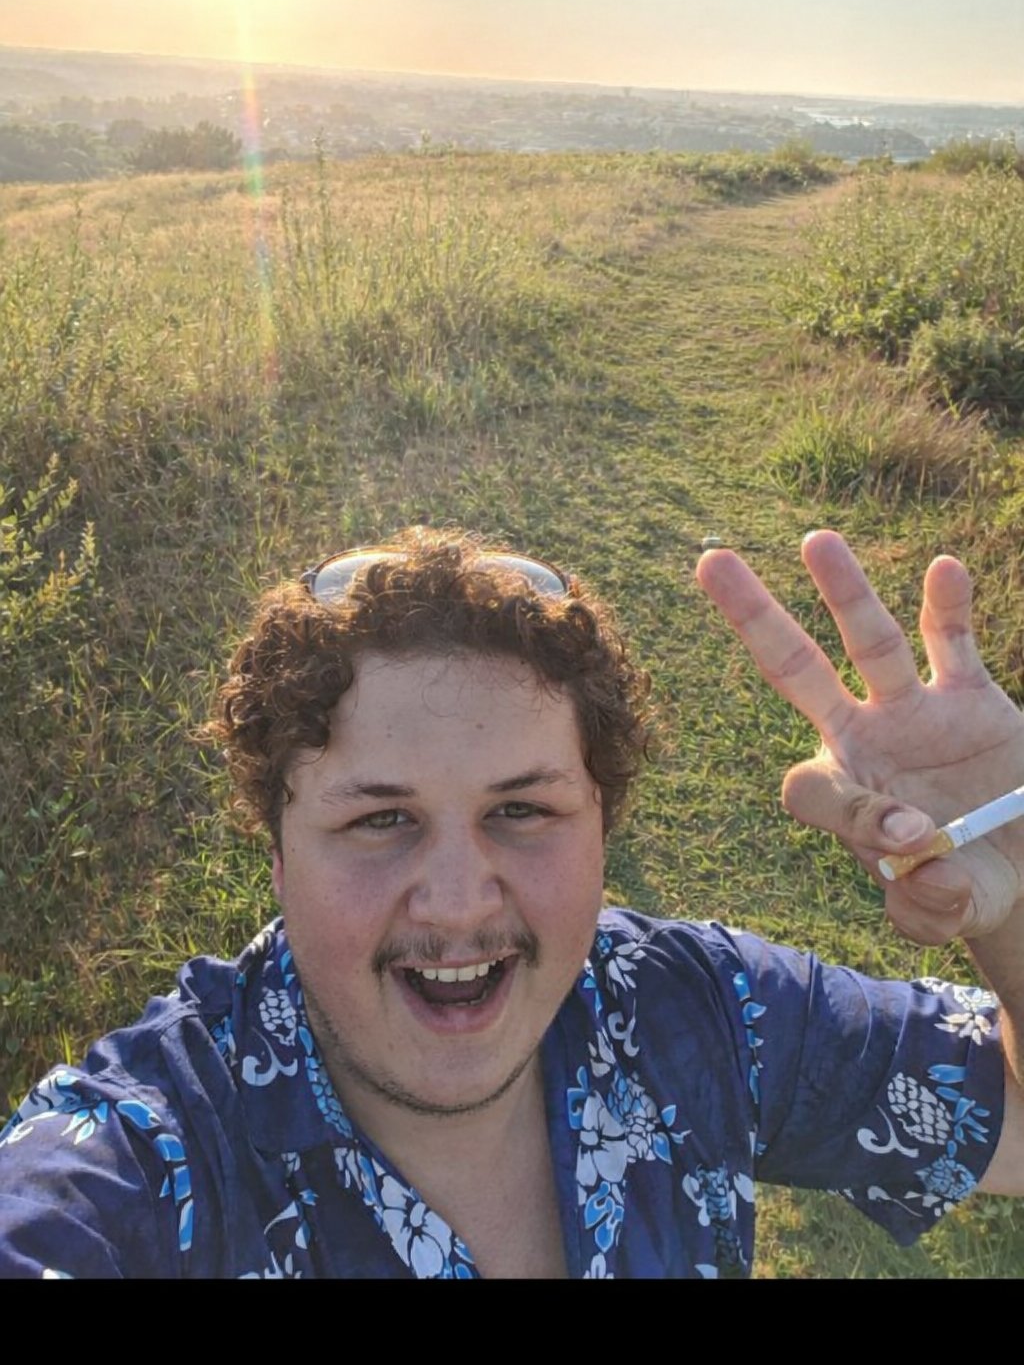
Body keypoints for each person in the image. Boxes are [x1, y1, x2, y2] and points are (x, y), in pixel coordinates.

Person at [0, 524, 1021, 1278]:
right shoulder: (151, 1160)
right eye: (380, 820)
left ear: (602, 825)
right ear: (276, 850)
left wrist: (1016, 885)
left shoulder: (701, 1013)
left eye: (522, 811)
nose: (456, 904)